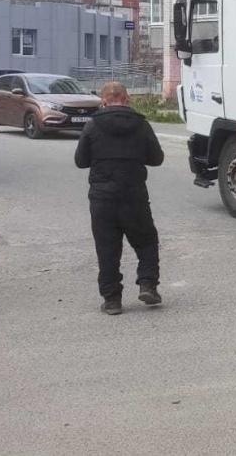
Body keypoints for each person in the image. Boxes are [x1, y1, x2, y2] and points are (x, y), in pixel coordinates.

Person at [74, 81, 165, 314]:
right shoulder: (141, 124)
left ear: (103, 101)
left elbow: (81, 161)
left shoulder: (93, 125)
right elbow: (156, 158)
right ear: (127, 99)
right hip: (134, 195)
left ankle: (112, 300)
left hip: (102, 198)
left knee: (107, 249)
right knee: (146, 241)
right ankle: (148, 284)